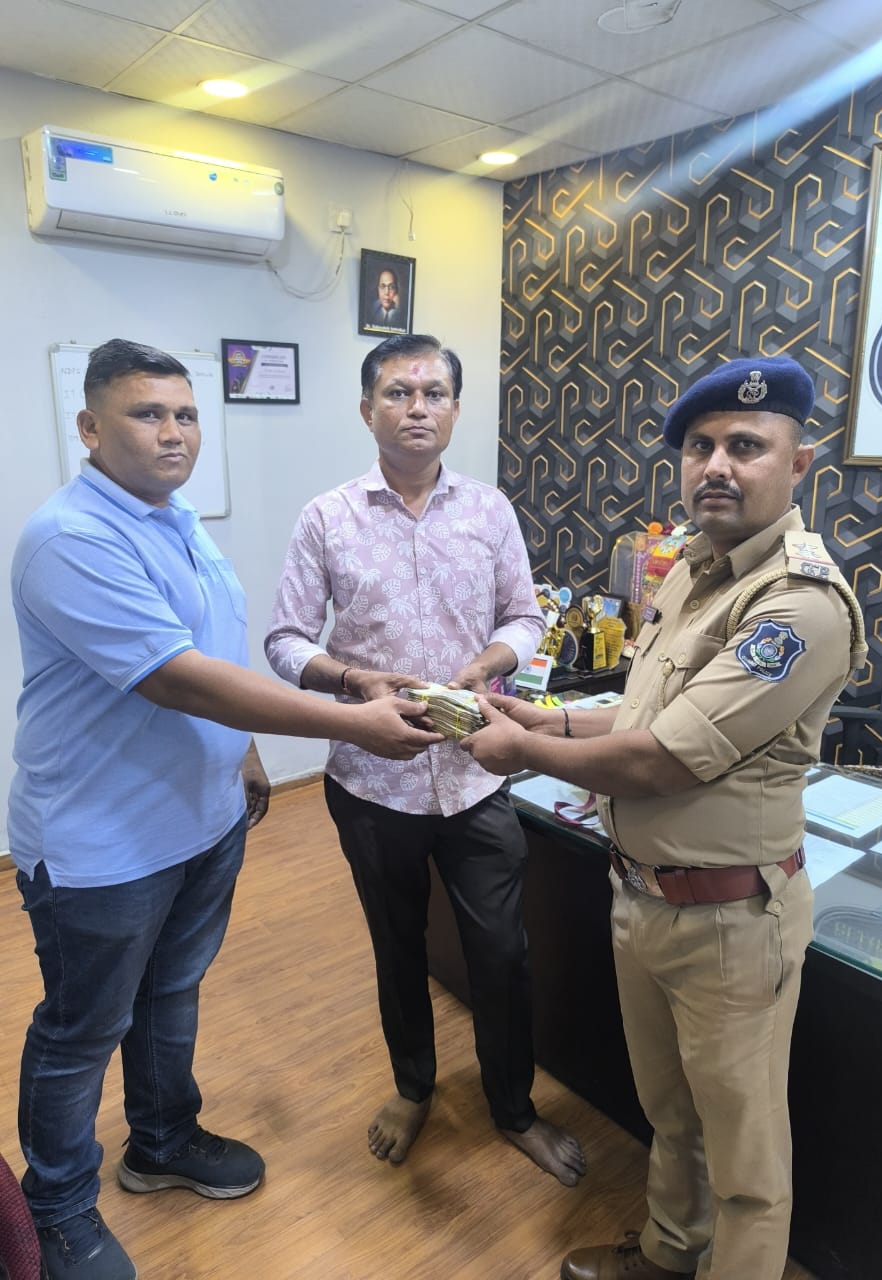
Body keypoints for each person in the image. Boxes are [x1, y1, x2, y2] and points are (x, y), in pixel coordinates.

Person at [8, 338, 442, 1280]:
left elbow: (210, 649)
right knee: (82, 1028)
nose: (174, 433)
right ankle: (56, 1208)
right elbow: (176, 677)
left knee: (171, 993)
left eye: (186, 414)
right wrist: (353, 722)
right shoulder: (71, 538)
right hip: (102, 843)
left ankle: (162, 1140)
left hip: (198, 820)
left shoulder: (175, 519)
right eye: (146, 414)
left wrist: (241, 749)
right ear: (89, 428)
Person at [459, 356, 866, 1280]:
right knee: (671, 1116)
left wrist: (520, 752)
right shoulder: (691, 570)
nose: (717, 465)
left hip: (731, 921)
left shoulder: (796, 605)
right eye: (700, 446)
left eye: (746, 446)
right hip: (644, 899)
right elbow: (642, 715)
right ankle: (669, 1255)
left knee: (746, 1161)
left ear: (798, 464)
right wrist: (546, 719)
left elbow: (662, 759)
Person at [265, 333, 586, 1188]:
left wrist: (491, 662)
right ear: (367, 409)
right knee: (397, 945)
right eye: (399, 393)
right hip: (371, 780)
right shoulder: (327, 517)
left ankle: (512, 1108)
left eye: (434, 393)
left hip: (477, 773)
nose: (417, 408)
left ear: (454, 409)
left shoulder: (489, 510)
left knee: (503, 953)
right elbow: (285, 640)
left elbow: (527, 616)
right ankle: (414, 1089)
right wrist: (353, 679)